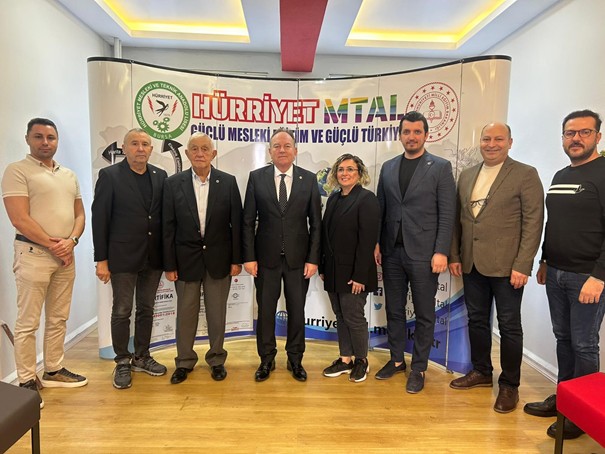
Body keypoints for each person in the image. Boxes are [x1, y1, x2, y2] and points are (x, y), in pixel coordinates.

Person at [448, 122, 544, 413]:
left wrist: (523, 265)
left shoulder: (525, 174)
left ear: (510, 142)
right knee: (477, 320)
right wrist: (455, 255)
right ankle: (481, 371)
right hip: (472, 262)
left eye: (498, 139)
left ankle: (510, 385)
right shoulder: (467, 175)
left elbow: (533, 223)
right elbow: (458, 219)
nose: (491, 144)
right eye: (486, 138)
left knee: (509, 326)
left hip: (508, 267)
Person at [524, 109, 605, 439]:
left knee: (584, 345)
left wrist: (599, 277)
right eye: (570, 133)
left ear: (598, 136)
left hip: (587, 278)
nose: (576, 138)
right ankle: (565, 400)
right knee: (564, 340)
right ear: (563, 138)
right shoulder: (560, 175)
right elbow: (554, 224)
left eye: (584, 132)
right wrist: (545, 259)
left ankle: (582, 416)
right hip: (556, 273)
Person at [2, 118, 88, 409]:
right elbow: (19, 218)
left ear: (57, 140)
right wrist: (55, 245)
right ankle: (26, 380)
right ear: (27, 138)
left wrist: (71, 242)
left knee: (58, 317)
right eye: (38, 137)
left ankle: (53, 369)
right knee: (28, 322)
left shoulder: (69, 175)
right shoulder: (17, 171)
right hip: (34, 254)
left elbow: (79, 215)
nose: (45, 142)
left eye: (51, 137)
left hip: (66, 255)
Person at [374, 110, 456, 393]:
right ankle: (397, 360)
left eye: (417, 132)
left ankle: (418, 368)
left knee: (424, 313)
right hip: (391, 251)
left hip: (424, 253)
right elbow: (381, 208)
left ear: (426, 135)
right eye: (407, 132)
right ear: (400, 135)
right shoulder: (388, 167)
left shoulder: (440, 167)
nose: (411, 137)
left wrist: (441, 250)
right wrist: (376, 242)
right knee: (394, 309)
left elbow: (447, 213)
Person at [242, 128, 321, 382]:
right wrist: (249, 257)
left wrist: (313, 259)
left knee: (297, 311)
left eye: (287, 146)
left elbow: (316, 224)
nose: (282, 150)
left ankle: (295, 359)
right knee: (266, 312)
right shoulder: (256, 178)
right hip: (265, 260)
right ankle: (266, 359)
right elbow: (247, 221)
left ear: (295, 151)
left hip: (299, 260)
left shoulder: (309, 179)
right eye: (277, 146)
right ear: (270, 151)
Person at [163, 132, 242, 384]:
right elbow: (168, 227)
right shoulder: (172, 184)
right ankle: (184, 361)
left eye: (205, 149)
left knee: (217, 314)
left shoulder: (228, 182)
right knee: (186, 315)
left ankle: (216, 359)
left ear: (213, 154)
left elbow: (237, 225)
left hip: (219, 260)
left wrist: (236, 260)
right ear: (187, 154)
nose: (200, 153)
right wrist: (169, 264)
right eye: (194, 149)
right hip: (185, 261)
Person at [92, 128, 168, 389]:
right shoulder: (110, 176)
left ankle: (142, 356)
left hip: (153, 257)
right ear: (124, 148)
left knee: (146, 309)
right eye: (134, 143)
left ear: (151, 149)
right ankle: (122, 360)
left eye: (145, 144)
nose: (140, 148)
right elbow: (100, 219)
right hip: (122, 256)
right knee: (122, 310)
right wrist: (101, 260)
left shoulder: (160, 176)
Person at [320, 154, 380, 383]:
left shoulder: (367, 199)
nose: (344, 173)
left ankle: (361, 360)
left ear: (359, 173)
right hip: (334, 271)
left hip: (355, 273)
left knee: (354, 317)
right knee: (341, 315)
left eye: (350, 169)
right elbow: (327, 236)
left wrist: (359, 276)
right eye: (341, 169)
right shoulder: (334, 199)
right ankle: (345, 359)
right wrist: (324, 266)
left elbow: (367, 241)